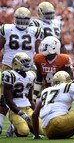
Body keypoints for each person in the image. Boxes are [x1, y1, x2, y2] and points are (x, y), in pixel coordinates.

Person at [0, 7, 43, 135]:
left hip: (27, 67)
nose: (22, 23)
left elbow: (38, 52)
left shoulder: (34, 31)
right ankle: (1, 124)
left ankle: (18, 124)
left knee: (26, 95)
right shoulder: (7, 29)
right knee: (3, 97)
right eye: (20, 20)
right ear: (14, 19)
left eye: (25, 20)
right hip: (9, 65)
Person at [2, 52, 44, 137]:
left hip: (28, 108)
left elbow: (30, 98)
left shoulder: (31, 75)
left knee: (42, 131)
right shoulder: (10, 75)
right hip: (15, 110)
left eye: (28, 61)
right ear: (16, 63)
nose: (27, 64)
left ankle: (25, 124)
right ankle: (14, 127)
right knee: (24, 132)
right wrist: (20, 113)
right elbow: (8, 100)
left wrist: (37, 111)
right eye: (24, 62)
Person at [33, 36, 73, 101]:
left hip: (62, 92)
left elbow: (70, 80)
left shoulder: (64, 59)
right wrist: (34, 96)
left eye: (47, 46)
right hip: (47, 91)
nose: (44, 48)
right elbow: (39, 79)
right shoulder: (39, 59)